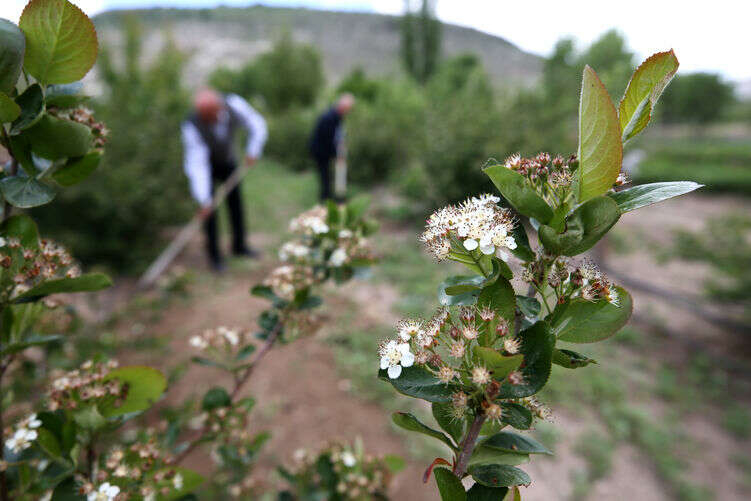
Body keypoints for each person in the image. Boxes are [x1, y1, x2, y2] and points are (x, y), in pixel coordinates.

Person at [182, 89, 267, 270]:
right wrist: (204, 199)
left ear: (218, 108)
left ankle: (239, 246)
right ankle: (215, 257)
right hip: (207, 167)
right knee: (210, 211)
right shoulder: (191, 125)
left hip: (229, 161)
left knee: (236, 204)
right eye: (203, 116)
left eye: (209, 115)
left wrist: (253, 150)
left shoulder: (234, 104)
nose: (206, 119)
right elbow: (197, 164)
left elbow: (257, 124)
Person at [309, 93, 355, 201]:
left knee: (330, 175)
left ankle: (334, 197)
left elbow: (338, 135)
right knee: (325, 176)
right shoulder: (329, 117)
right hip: (320, 151)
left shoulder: (338, 116)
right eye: (348, 109)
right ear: (343, 107)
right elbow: (327, 139)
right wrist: (337, 154)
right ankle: (325, 199)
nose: (348, 111)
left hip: (326, 150)